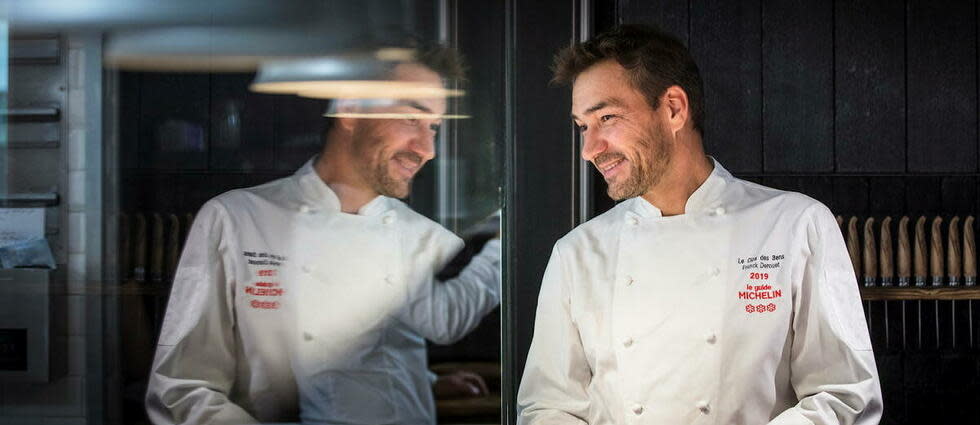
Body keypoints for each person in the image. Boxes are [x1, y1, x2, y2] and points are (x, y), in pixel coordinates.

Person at [517, 24, 882, 424]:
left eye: (607, 117)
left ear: (674, 108)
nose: (589, 150)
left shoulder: (797, 225)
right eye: (582, 126)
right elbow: (548, 408)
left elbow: (845, 396)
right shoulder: (576, 254)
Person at [146, 45, 501, 425]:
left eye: (434, 127)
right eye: (411, 118)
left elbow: (373, 348)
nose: (428, 150)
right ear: (350, 110)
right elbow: (182, 390)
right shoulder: (236, 219)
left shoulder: (410, 229)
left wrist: (421, 383)